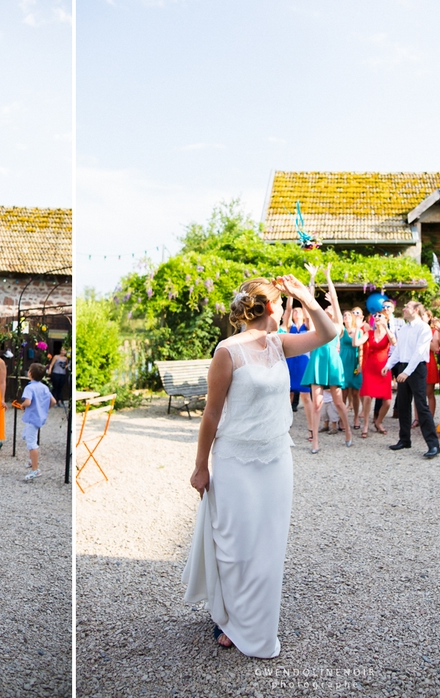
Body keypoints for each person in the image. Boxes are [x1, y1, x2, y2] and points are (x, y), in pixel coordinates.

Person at [182, 274, 337, 656]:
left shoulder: (279, 344)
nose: (285, 308)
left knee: (268, 546)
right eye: (282, 302)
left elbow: (328, 334)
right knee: (236, 545)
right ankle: (230, 617)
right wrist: (201, 466)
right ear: (269, 306)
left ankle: (255, 622)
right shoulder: (228, 351)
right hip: (235, 459)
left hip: (276, 458)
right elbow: (211, 414)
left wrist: (306, 298)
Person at [300, 264, 352, 453]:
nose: (329, 307)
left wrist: (328, 276)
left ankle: (347, 432)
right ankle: (315, 441)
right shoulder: (315, 325)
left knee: (338, 402)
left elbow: (336, 301)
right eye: (327, 306)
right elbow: (308, 301)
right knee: (317, 404)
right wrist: (312, 278)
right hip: (317, 363)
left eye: (331, 306)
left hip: (332, 363)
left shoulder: (338, 325)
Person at [384, 301, 440, 458]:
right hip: (403, 367)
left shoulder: (423, 328)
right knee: (402, 404)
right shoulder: (403, 328)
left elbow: (419, 352)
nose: (403, 308)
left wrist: (407, 372)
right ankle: (404, 440)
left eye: (407, 306)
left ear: (416, 310)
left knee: (421, 406)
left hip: (416, 369)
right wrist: (389, 365)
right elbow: (399, 349)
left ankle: (433, 445)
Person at [281, 296, 315, 440]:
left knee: (306, 396)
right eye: (295, 311)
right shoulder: (289, 327)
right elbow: (288, 310)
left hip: (303, 362)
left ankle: (312, 428)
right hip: (290, 363)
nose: (297, 313)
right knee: (287, 396)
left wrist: (302, 299)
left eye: (299, 311)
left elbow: (308, 312)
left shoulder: (307, 327)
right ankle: (282, 427)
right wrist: (289, 295)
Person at [357, 312, 395, 436]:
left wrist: (386, 327)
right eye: (376, 316)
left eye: (380, 316)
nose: (377, 317)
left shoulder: (388, 333)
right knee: (367, 397)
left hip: (384, 369)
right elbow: (356, 343)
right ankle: (366, 424)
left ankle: (378, 422)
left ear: (386, 318)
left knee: (387, 402)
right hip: (370, 368)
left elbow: (394, 342)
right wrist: (358, 328)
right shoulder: (370, 333)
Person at [20, 362, 55, 480]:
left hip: (32, 419)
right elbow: (53, 401)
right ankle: (32, 460)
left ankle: (35, 469)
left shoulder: (29, 387)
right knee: (25, 435)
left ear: (30, 373)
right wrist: (44, 409)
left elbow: (28, 402)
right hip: (39, 417)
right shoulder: (44, 387)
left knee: (31, 443)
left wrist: (22, 405)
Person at [340, 308, 367, 425]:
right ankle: (342, 419)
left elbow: (361, 349)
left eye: (349, 315)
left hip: (355, 362)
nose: (346, 317)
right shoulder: (341, 330)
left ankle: (356, 417)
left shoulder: (359, 331)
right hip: (343, 362)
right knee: (343, 392)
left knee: (356, 392)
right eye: (344, 315)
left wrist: (360, 365)